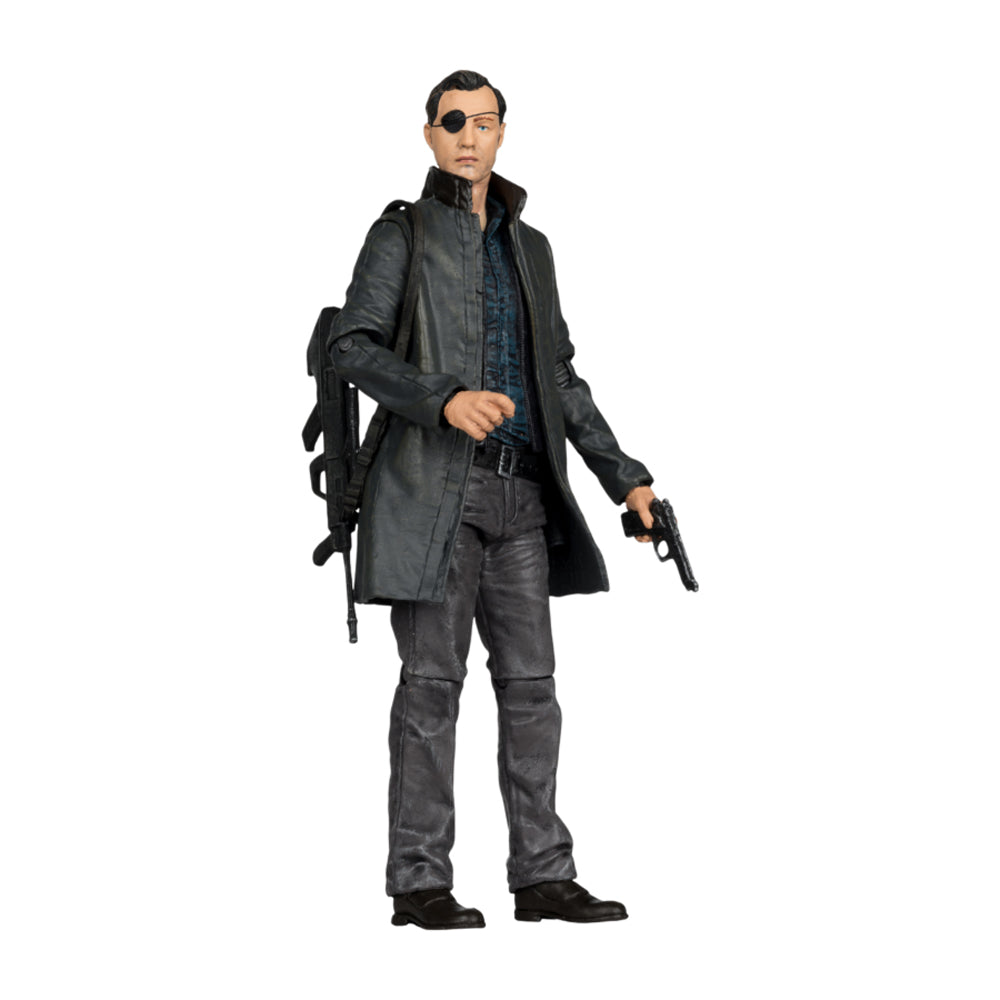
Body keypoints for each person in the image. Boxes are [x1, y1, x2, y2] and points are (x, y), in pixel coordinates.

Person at [328, 70, 658, 929]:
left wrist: (626, 476)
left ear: (503, 132)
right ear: (429, 135)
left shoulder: (531, 247)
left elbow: (560, 375)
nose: (468, 136)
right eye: (453, 121)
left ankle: (542, 875)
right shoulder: (402, 233)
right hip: (433, 493)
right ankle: (419, 882)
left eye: (484, 121)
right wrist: (442, 398)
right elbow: (350, 346)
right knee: (431, 687)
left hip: (522, 498)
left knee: (532, 688)